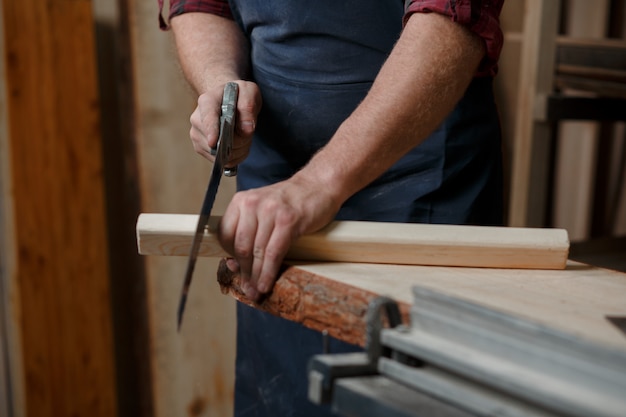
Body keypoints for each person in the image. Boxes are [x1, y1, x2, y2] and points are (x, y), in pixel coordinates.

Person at [159, 0, 505, 415]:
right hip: (274, 192)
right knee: (283, 393)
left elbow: (450, 21)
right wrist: (219, 81)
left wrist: (320, 182)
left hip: (421, 179)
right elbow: (198, 4)